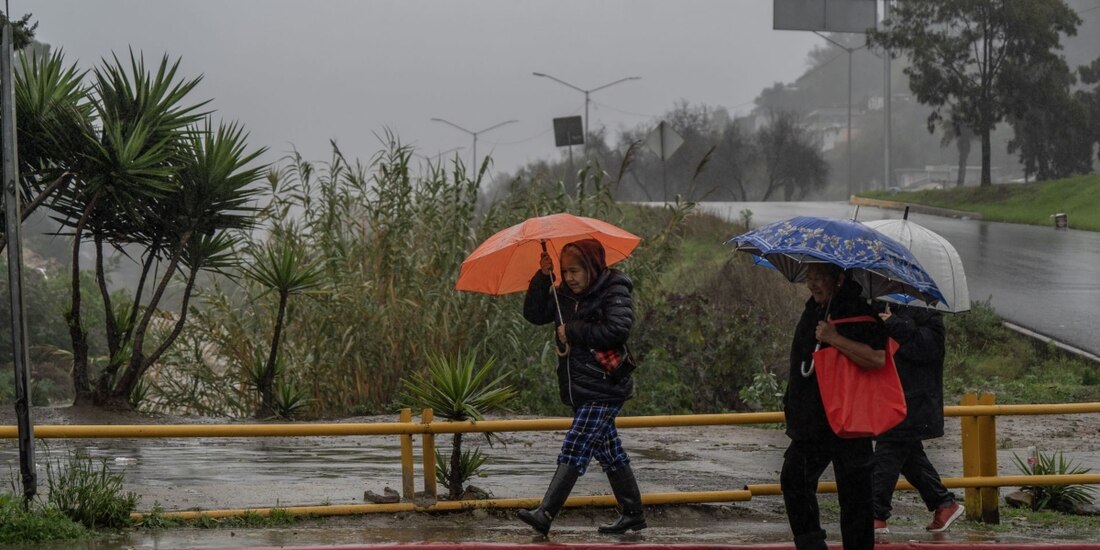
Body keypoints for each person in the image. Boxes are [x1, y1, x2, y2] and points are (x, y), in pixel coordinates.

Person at [517, 238, 645, 536]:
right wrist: (542, 277)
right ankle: (633, 514)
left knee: (576, 444)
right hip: (580, 386)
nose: (570, 277)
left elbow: (618, 329)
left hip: (606, 383)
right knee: (609, 450)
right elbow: (535, 315)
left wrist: (572, 330)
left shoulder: (614, 288)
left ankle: (545, 513)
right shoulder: (563, 292)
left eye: (575, 271)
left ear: (591, 267)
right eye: (565, 271)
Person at [781, 262, 887, 550]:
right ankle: (811, 544)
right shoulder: (814, 309)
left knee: (855, 498)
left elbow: (878, 359)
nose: (811, 284)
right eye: (809, 277)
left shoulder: (859, 314)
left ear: (839, 279)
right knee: (794, 478)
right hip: (812, 421)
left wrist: (835, 339)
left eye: (819, 278)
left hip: (849, 420)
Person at [872, 303, 963, 534]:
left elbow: (929, 349)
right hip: (891, 395)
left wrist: (893, 324)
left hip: (914, 399)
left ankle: (876, 515)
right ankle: (944, 503)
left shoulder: (927, 311)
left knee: (889, 450)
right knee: (909, 456)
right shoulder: (881, 304)